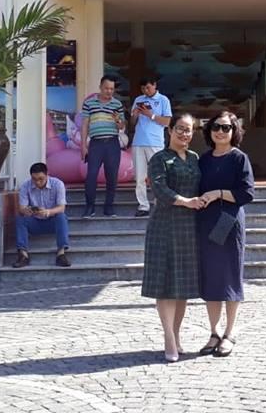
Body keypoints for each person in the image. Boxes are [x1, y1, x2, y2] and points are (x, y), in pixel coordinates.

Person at [141, 113, 204, 363]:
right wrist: (186, 201)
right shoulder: (159, 159)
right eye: (180, 129)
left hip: (189, 227)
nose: (184, 134)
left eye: (189, 130)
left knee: (182, 286)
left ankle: (177, 335)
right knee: (166, 283)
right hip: (164, 225)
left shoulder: (195, 158)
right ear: (170, 131)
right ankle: (168, 337)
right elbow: (160, 189)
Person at [196, 111, 255, 358]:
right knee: (210, 277)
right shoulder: (203, 159)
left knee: (230, 276)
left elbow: (247, 193)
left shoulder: (239, 158)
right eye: (216, 127)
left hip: (229, 222)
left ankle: (229, 333)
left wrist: (218, 193)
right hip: (206, 222)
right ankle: (214, 332)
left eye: (226, 127)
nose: (220, 131)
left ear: (234, 131)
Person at [81, 75, 126, 217]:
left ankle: (109, 207)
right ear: (100, 87)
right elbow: (85, 125)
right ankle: (90, 207)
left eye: (112, 89)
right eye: (106, 88)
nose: (109, 91)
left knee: (112, 176)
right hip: (95, 143)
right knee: (91, 175)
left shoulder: (117, 104)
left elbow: (122, 126)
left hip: (112, 143)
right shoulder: (89, 103)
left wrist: (118, 121)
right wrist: (83, 145)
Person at [12, 162, 71, 268]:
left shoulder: (58, 184)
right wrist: (27, 210)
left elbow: (61, 207)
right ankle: (23, 255)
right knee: (20, 219)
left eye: (41, 179)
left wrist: (48, 212)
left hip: (52, 221)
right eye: (34, 179)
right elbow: (21, 208)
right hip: (34, 221)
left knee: (61, 217)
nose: (37, 182)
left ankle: (61, 254)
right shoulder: (25, 186)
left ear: (47, 174)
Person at [130, 76, 172, 217]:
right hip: (138, 142)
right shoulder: (138, 99)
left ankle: (159, 203)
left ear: (154, 85)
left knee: (158, 175)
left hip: (155, 142)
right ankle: (143, 206)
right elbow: (132, 123)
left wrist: (151, 115)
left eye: (148, 87)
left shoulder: (163, 100)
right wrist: (135, 115)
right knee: (139, 177)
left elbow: (167, 122)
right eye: (143, 88)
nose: (145, 91)